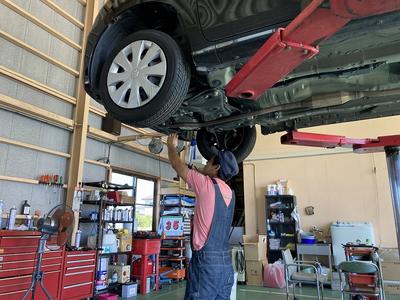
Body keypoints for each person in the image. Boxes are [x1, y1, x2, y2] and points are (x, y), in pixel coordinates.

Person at [167, 133, 239, 300]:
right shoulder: (230, 192)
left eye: (209, 162)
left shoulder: (205, 184)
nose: (205, 163)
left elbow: (177, 165)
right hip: (225, 265)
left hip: (207, 265)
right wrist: (201, 170)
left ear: (217, 168)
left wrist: (171, 146)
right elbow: (200, 172)